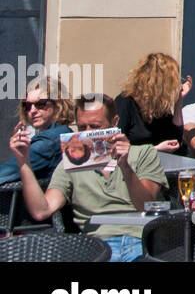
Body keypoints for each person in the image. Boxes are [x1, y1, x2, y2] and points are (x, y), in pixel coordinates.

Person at [8, 93, 167, 262]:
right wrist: (23, 161)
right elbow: (42, 210)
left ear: (114, 123)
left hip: (143, 241)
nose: (88, 135)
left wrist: (126, 167)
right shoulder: (71, 163)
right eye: (82, 128)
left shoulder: (143, 153)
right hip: (98, 246)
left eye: (95, 126)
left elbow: (146, 205)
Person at [0, 75, 75, 184]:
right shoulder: (64, 133)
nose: (32, 110)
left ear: (58, 105)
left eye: (40, 104)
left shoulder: (48, 142)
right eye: (27, 106)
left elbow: (5, 173)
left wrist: (22, 155)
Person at [116, 52, 192, 153]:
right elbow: (118, 147)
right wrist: (155, 149)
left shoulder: (158, 104)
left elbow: (176, 137)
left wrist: (179, 99)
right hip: (135, 165)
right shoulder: (125, 102)